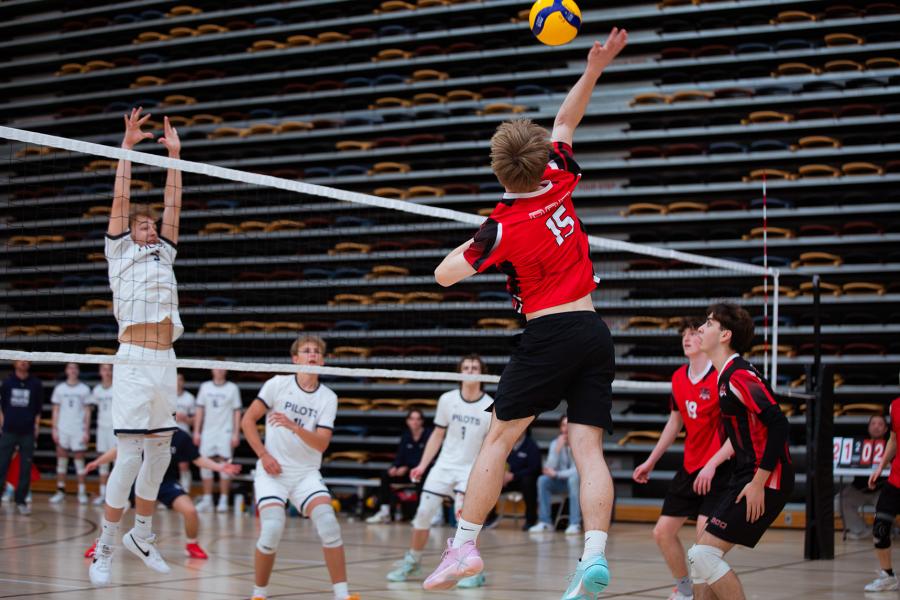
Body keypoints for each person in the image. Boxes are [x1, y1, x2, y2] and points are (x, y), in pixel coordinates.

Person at [424, 28, 628, 596]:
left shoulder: (500, 228)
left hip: (550, 332)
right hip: (593, 329)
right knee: (588, 447)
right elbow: (566, 121)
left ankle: (464, 543)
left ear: (499, 171)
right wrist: (594, 66)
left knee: (498, 437)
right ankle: (593, 556)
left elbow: (443, 275)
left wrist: (482, 236)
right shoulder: (560, 177)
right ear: (539, 161)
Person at [89, 108, 183, 586]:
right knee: (128, 458)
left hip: (165, 360)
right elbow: (121, 198)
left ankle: (141, 535)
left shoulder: (164, 251)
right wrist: (126, 149)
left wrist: (175, 157)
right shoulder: (118, 250)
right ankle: (106, 544)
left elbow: (173, 206)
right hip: (132, 359)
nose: (148, 229)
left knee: (161, 455)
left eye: (150, 226)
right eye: (141, 226)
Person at [240, 335, 359, 600]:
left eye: (317, 351)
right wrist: (263, 454)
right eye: (306, 351)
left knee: (329, 523)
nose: (312, 355)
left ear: (323, 360)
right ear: (295, 359)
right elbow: (248, 421)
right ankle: (259, 594)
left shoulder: (328, 398)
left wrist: (294, 426)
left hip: (305, 473)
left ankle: (342, 594)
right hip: (273, 473)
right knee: (271, 529)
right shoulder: (278, 385)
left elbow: (322, 444)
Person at [688, 303, 794, 600]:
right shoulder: (726, 377)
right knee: (699, 560)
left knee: (704, 555)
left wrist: (759, 482)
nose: (700, 329)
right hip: (745, 474)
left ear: (725, 335)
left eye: (708, 324)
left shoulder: (738, 376)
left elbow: (779, 425)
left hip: (766, 477)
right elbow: (743, 436)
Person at [632, 318, 734, 600]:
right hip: (690, 467)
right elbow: (675, 422)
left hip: (719, 469)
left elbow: (735, 431)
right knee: (662, 532)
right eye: (684, 335)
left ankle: (710, 594)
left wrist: (713, 464)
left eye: (693, 334)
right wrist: (651, 460)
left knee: (704, 542)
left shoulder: (720, 377)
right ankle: (686, 588)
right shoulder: (678, 377)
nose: (687, 339)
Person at [386, 355, 493, 589]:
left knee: (465, 519)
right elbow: (437, 434)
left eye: (474, 368)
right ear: (458, 372)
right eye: (465, 367)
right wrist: (423, 465)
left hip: (470, 470)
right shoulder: (447, 400)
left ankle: (473, 570)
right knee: (423, 514)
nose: (469, 371)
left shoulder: (490, 405)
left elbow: (491, 445)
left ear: (482, 373)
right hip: (443, 466)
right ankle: (413, 561)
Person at [84, 429, 240, 560]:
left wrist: (220, 468)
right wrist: (97, 462)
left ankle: (191, 544)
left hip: (165, 483)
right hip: (137, 482)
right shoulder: (141, 432)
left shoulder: (181, 437)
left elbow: (197, 459)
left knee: (190, 511)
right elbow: (118, 451)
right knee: (115, 510)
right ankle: (100, 544)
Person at [367, 408, 432, 524]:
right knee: (386, 475)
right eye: (412, 419)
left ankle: (420, 514)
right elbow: (400, 456)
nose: (415, 422)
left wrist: (406, 467)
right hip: (407, 472)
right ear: (408, 421)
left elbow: (424, 458)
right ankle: (385, 512)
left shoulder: (428, 435)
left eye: (418, 419)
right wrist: (395, 466)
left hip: (422, 471)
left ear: (422, 421)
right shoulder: (406, 435)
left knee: (421, 477)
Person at [193, 368, 242, 513]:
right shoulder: (205, 387)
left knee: (225, 465)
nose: (219, 370)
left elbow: (237, 412)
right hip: (208, 432)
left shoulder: (232, 388)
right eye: (216, 367)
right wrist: (196, 432)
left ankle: (223, 500)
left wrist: (235, 433)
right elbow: (199, 410)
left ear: (225, 370)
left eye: (222, 367)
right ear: (212, 369)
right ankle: (207, 500)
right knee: (205, 464)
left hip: (225, 432)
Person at [865, 398, 900, 592]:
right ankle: (888, 576)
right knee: (880, 528)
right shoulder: (895, 406)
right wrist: (880, 467)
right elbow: (893, 440)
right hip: (896, 479)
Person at [0, 360, 43, 515]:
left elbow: (38, 409)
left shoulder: (35, 384)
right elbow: (2, 406)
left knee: (25, 468)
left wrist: (36, 428)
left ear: (29, 363)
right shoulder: (7, 383)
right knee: (2, 465)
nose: (23, 363)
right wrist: (2, 427)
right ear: (14, 363)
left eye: (25, 360)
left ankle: (21, 501)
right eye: (20, 360)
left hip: (27, 432)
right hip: (9, 431)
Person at [529, 416, 582, 535]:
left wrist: (557, 474)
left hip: (578, 483)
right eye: (563, 425)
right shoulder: (555, 443)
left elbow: (578, 470)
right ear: (560, 428)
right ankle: (545, 522)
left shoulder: (579, 443)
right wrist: (556, 450)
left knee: (573, 479)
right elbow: (548, 468)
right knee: (543, 480)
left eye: (569, 425)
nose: (566, 428)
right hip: (562, 482)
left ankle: (575, 523)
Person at [840, 414, 888, 540]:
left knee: (890, 501)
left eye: (880, 424)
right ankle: (861, 531)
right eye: (873, 424)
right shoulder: (858, 445)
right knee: (841, 500)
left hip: (881, 490)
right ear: (868, 428)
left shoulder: (891, 446)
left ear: (886, 429)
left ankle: (887, 530)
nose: (876, 427)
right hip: (859, 488)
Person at [50, 362, 92, 505]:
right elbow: (55, 410)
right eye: (70, 367)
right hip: (62, 429)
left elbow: (87, 412)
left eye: (75, 367)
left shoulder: (84, 389)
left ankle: (81, 491)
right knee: (61, 462)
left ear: (78, 371)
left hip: (78, 430)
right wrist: (54, 429)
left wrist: (86, 430)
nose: (73, 370)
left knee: (80, 461)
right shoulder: (59, 389)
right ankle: (60, 491)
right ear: (66, 370)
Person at [497, 430, 541, 530]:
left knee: (528, 482)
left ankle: (531, 520)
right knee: (492, 483)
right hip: (507, 481)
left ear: (525, 429)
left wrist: (514, 476)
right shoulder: (506, 444)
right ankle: (488, 517)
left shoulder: (531, 446)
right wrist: (502, 475)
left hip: (523, 481)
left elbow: (535, 468)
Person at [89, 364, 115, 506]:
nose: (107, 372)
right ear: (100, 372)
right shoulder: (97, 390)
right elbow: (89, 410)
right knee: (103, 463)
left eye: (109, 369)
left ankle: (116, 496)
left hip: (114, 429)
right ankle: (103, 493)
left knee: (117, 463)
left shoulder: (118, 388)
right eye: (104, 369)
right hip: (101, 430)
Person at [174, 373, 196, 492]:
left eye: (180, 380)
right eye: (175, 379)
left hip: (184, 435)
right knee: (166, 466)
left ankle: (184, 492)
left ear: (183, 382)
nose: (177, 382)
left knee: (184, 465)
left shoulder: (189, 398)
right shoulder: (166, 396)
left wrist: (185, 419)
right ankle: (166, 495)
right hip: (169, 435)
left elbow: (195, 420)